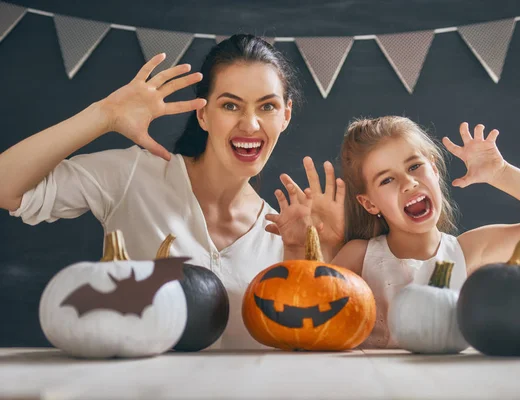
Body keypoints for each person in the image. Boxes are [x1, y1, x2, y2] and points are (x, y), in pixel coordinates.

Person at [0, 34, 343, 350]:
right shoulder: (134, 176)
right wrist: (103, 116)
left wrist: (303, 250)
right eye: (230, 105)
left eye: (267, 106)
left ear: (286, 115)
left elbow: (301, 343)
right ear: (203, 114)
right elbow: (7, 187)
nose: (250, 124)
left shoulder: (285, 233)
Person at [289, 115, 520, 349]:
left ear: (434, 169)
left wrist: (501, 173)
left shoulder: (470, 250)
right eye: (386, 180)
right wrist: (313, 244)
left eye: (415, 166)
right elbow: (312, 320)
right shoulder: (358, 256)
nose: (409, 183)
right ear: (369, 203)